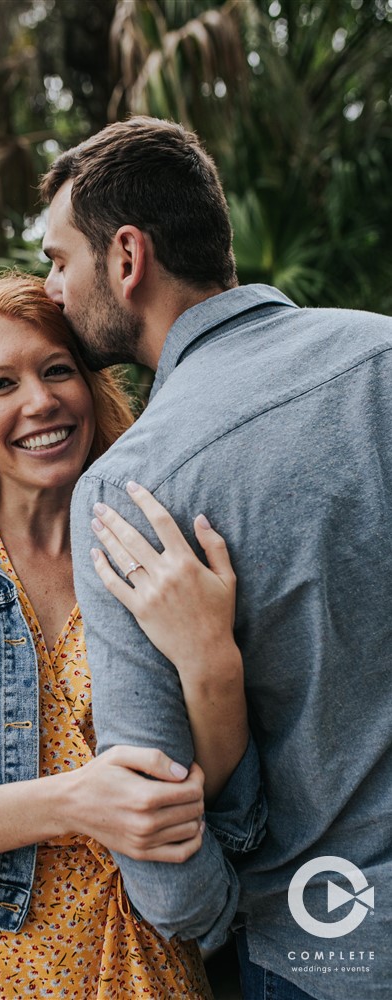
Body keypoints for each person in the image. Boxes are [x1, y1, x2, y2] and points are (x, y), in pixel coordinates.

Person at [40, 116, 392, 1000]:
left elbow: (155, 816)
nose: (50, 289)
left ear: (127, 258)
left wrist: (211, 920)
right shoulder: (384, 355)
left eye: (57, 260)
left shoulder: (130, 489)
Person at [0, 273, 255, 999]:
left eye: (58, 369)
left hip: (146, 951)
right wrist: (72, 802)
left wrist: (214, 662)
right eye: (1, 384)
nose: (40, 401)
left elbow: (220, 800)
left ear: (90, 389)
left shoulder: (153, 548)